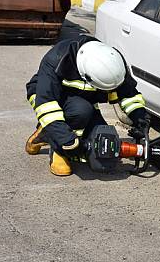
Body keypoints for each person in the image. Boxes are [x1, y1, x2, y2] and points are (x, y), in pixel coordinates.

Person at [25, 35, 149, 176]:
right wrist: (68, 141)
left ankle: (45, 133)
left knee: (101, 146)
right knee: (80, 112)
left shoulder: (111, 61)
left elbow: (128, 93)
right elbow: (47, 107)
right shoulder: (57, 59)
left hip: (83, 100)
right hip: (47, 97)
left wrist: (140, 117)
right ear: (86, 77)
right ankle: (58, 149)